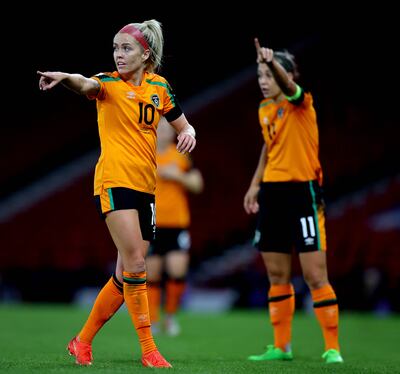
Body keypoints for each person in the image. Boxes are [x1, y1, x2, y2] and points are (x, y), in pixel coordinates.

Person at [38, 19, 197, 368]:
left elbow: (184, 125)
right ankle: (149, 350)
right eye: (115, 47)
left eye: (126, 48)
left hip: (146, 188)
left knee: (126, 273)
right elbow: (85, 85)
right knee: (139, 265)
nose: (118, 54)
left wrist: (190, 134)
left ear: (146, 53)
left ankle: (81, 342)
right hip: (114, 182)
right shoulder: (107, 84)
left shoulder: (160, 88)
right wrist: (66, 77)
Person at [243, 38, 344, 364]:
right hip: (273, 194)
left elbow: (291, 87)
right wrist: (255, 184)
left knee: (315, 276)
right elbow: (268, 147)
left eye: (269, 75)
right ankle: (281, 346)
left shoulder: (302, 103)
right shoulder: (264, 109)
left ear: (285, 76)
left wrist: (274, 63)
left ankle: (332, 347)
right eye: (260, 74)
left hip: (303, 193)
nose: (263, 80)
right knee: (276, 276)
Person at [146, 117, 204, 336]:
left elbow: (198, 184)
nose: (163, 131)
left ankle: (170, 318)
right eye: (159, 127)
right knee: (151, 275)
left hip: (177, 224)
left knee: (177, 273)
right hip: (151, 221)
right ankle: (152, 320)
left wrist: (176, 175)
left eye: (167, 128)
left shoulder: (181, 155)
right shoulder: (145, 154)